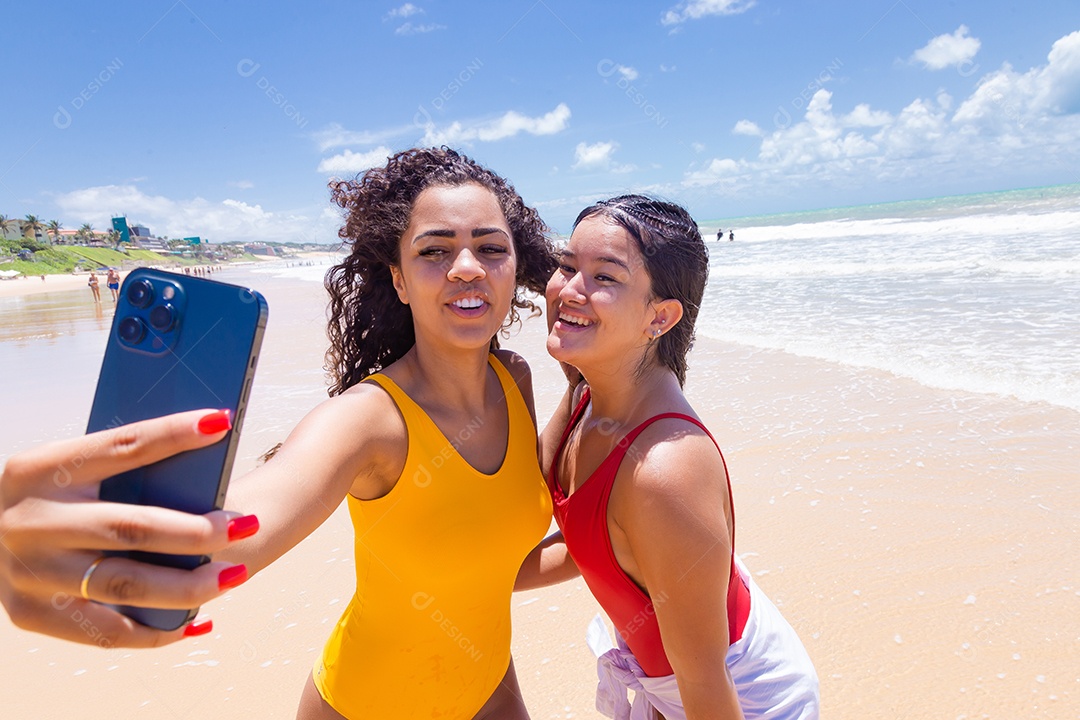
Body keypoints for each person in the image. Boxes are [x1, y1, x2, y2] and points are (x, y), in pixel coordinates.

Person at [0, 147, 558, 719]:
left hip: (494, 690)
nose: (467, 267)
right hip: (365, 703)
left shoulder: (512, 378)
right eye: (434, 250)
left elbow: (496, 563)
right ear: (400, 281)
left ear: (515, 269)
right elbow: (247, 520)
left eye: (491, 248)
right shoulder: (367, 422)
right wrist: (87, 539)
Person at [517, 195, 819, 719]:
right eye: (567, 266)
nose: (569, 289)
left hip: (740, 699)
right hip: (671, 672)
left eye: (604, 277)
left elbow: (705, 682)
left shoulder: (664, 471)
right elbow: (590, 544)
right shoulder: (585, 394)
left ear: (659, 316)